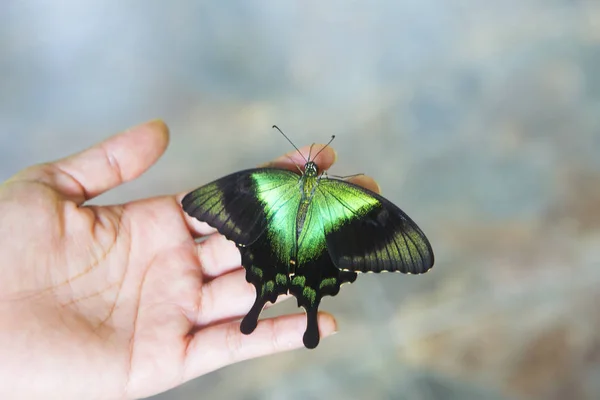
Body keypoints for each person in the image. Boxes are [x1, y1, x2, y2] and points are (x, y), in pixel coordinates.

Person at [0, 120, 380, 399]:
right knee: (292, 284)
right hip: (300, 246)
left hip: (279, 244)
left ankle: (275, 306)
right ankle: (301, 311)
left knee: (269, 286)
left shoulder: (268, 183)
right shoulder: (317, 190)